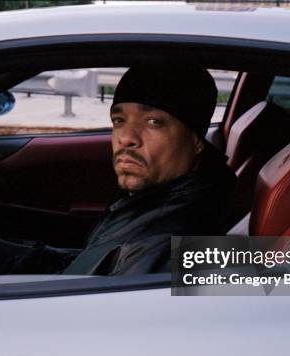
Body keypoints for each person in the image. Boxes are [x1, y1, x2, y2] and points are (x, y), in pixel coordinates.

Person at [62, 66, 236, 275]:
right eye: (119, 120)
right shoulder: (158, 196)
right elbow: (95, 262)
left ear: (196, 140)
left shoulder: (161, 245)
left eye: (154, 122)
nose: (126, 138)